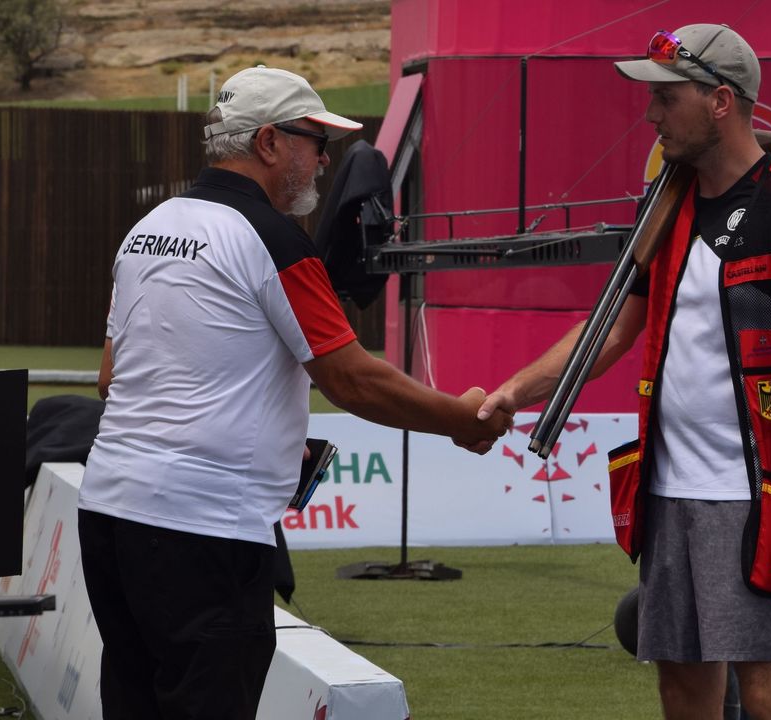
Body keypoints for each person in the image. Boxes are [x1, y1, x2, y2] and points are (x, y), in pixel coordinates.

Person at [78, 65, 511, 720]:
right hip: (203, 530)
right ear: (271, 143)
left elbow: (112, 378)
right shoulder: (276, 241)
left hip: (109, 512)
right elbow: (352, 378)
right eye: (315, 140)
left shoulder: (149, 227)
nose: (324, 159)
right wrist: (459, 418)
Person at [477, 25, 771, 720]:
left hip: (756, 497)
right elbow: (614, 329)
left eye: (666, 98)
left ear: (720, 101)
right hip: (667, 491)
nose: (651, 116)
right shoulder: (665, 204)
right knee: (681, 689)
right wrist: (516, 390)